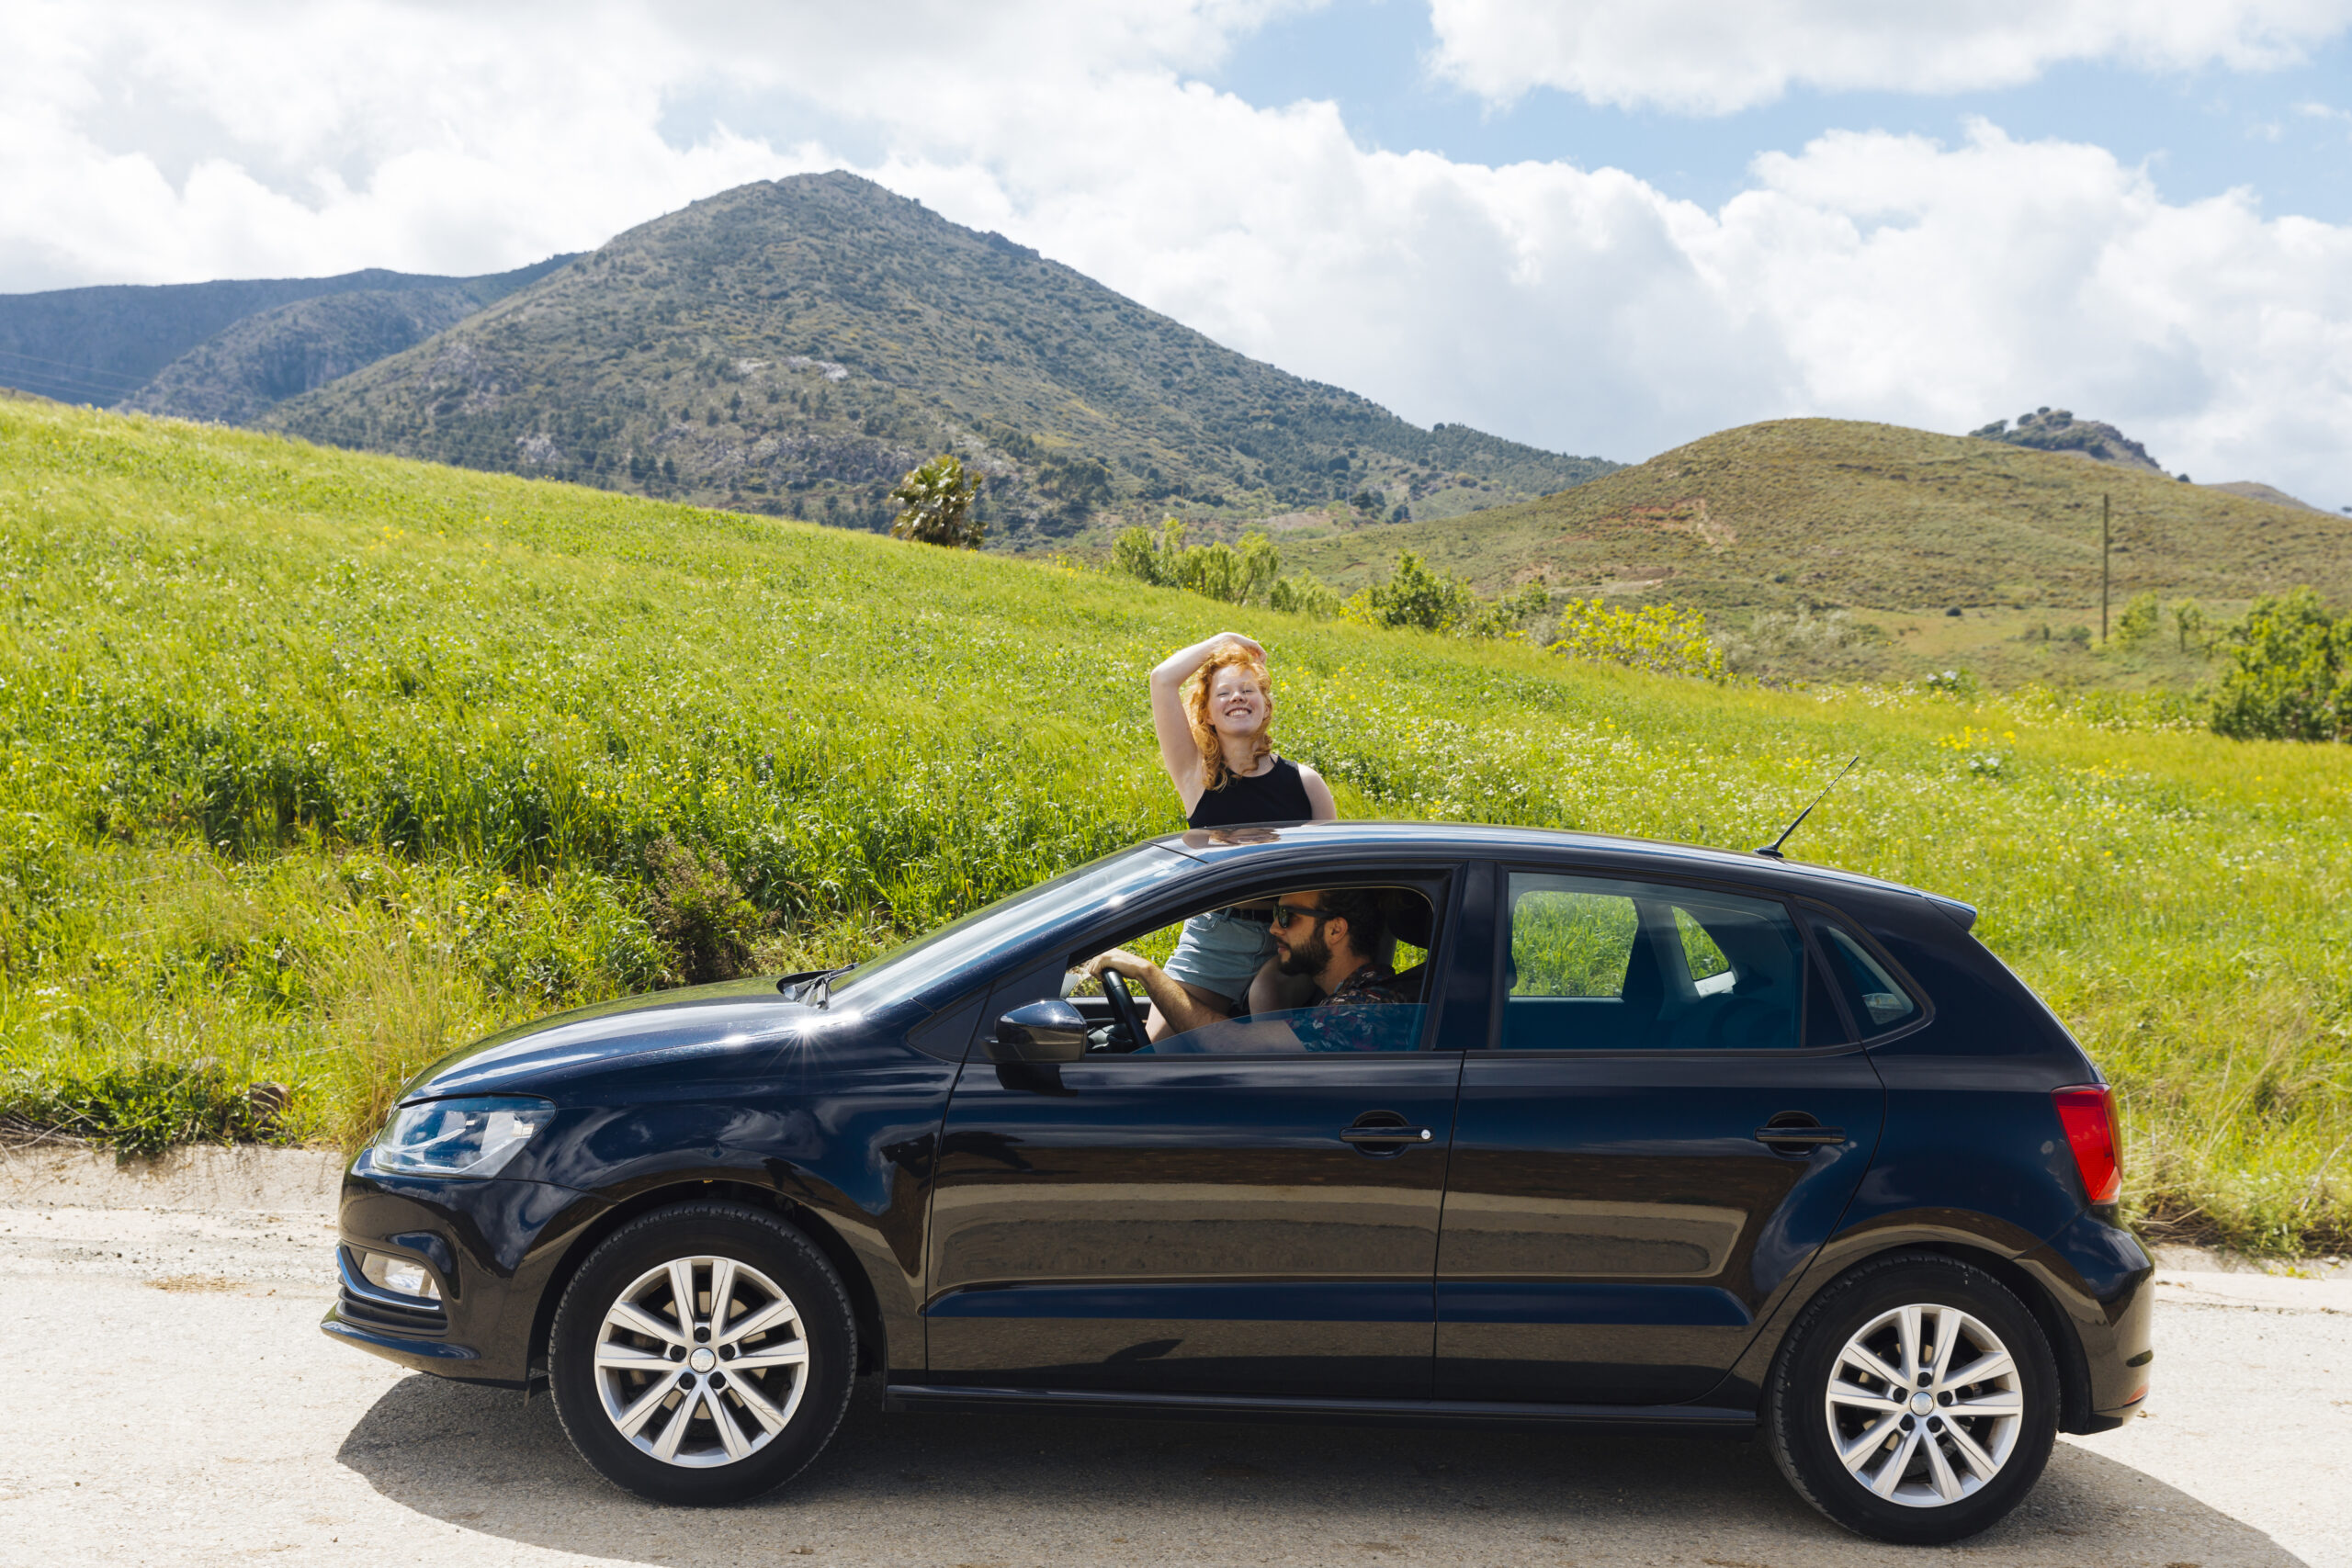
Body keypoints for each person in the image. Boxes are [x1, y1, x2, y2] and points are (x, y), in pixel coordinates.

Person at [1123, 632, 1336, 1037]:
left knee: (1267, 1017)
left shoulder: (1306, 782)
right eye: (1224, 693)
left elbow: (1333, 881)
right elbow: (1162, 679)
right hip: (1214, 937)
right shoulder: (1195, 776)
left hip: (1289, 936)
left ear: (1266, 705)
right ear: (1206, 713)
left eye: (1248, 689)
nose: (1237, 697)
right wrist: (1224, 639)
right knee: (1160, 1050)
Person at [1087, 887, 1413, 1053]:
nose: (1273, 928)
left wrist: (1146, 972)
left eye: (1287, 916)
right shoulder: (1362, 997)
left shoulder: (1362, 1012)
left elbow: (1234, 1045)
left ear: (1335, 930)